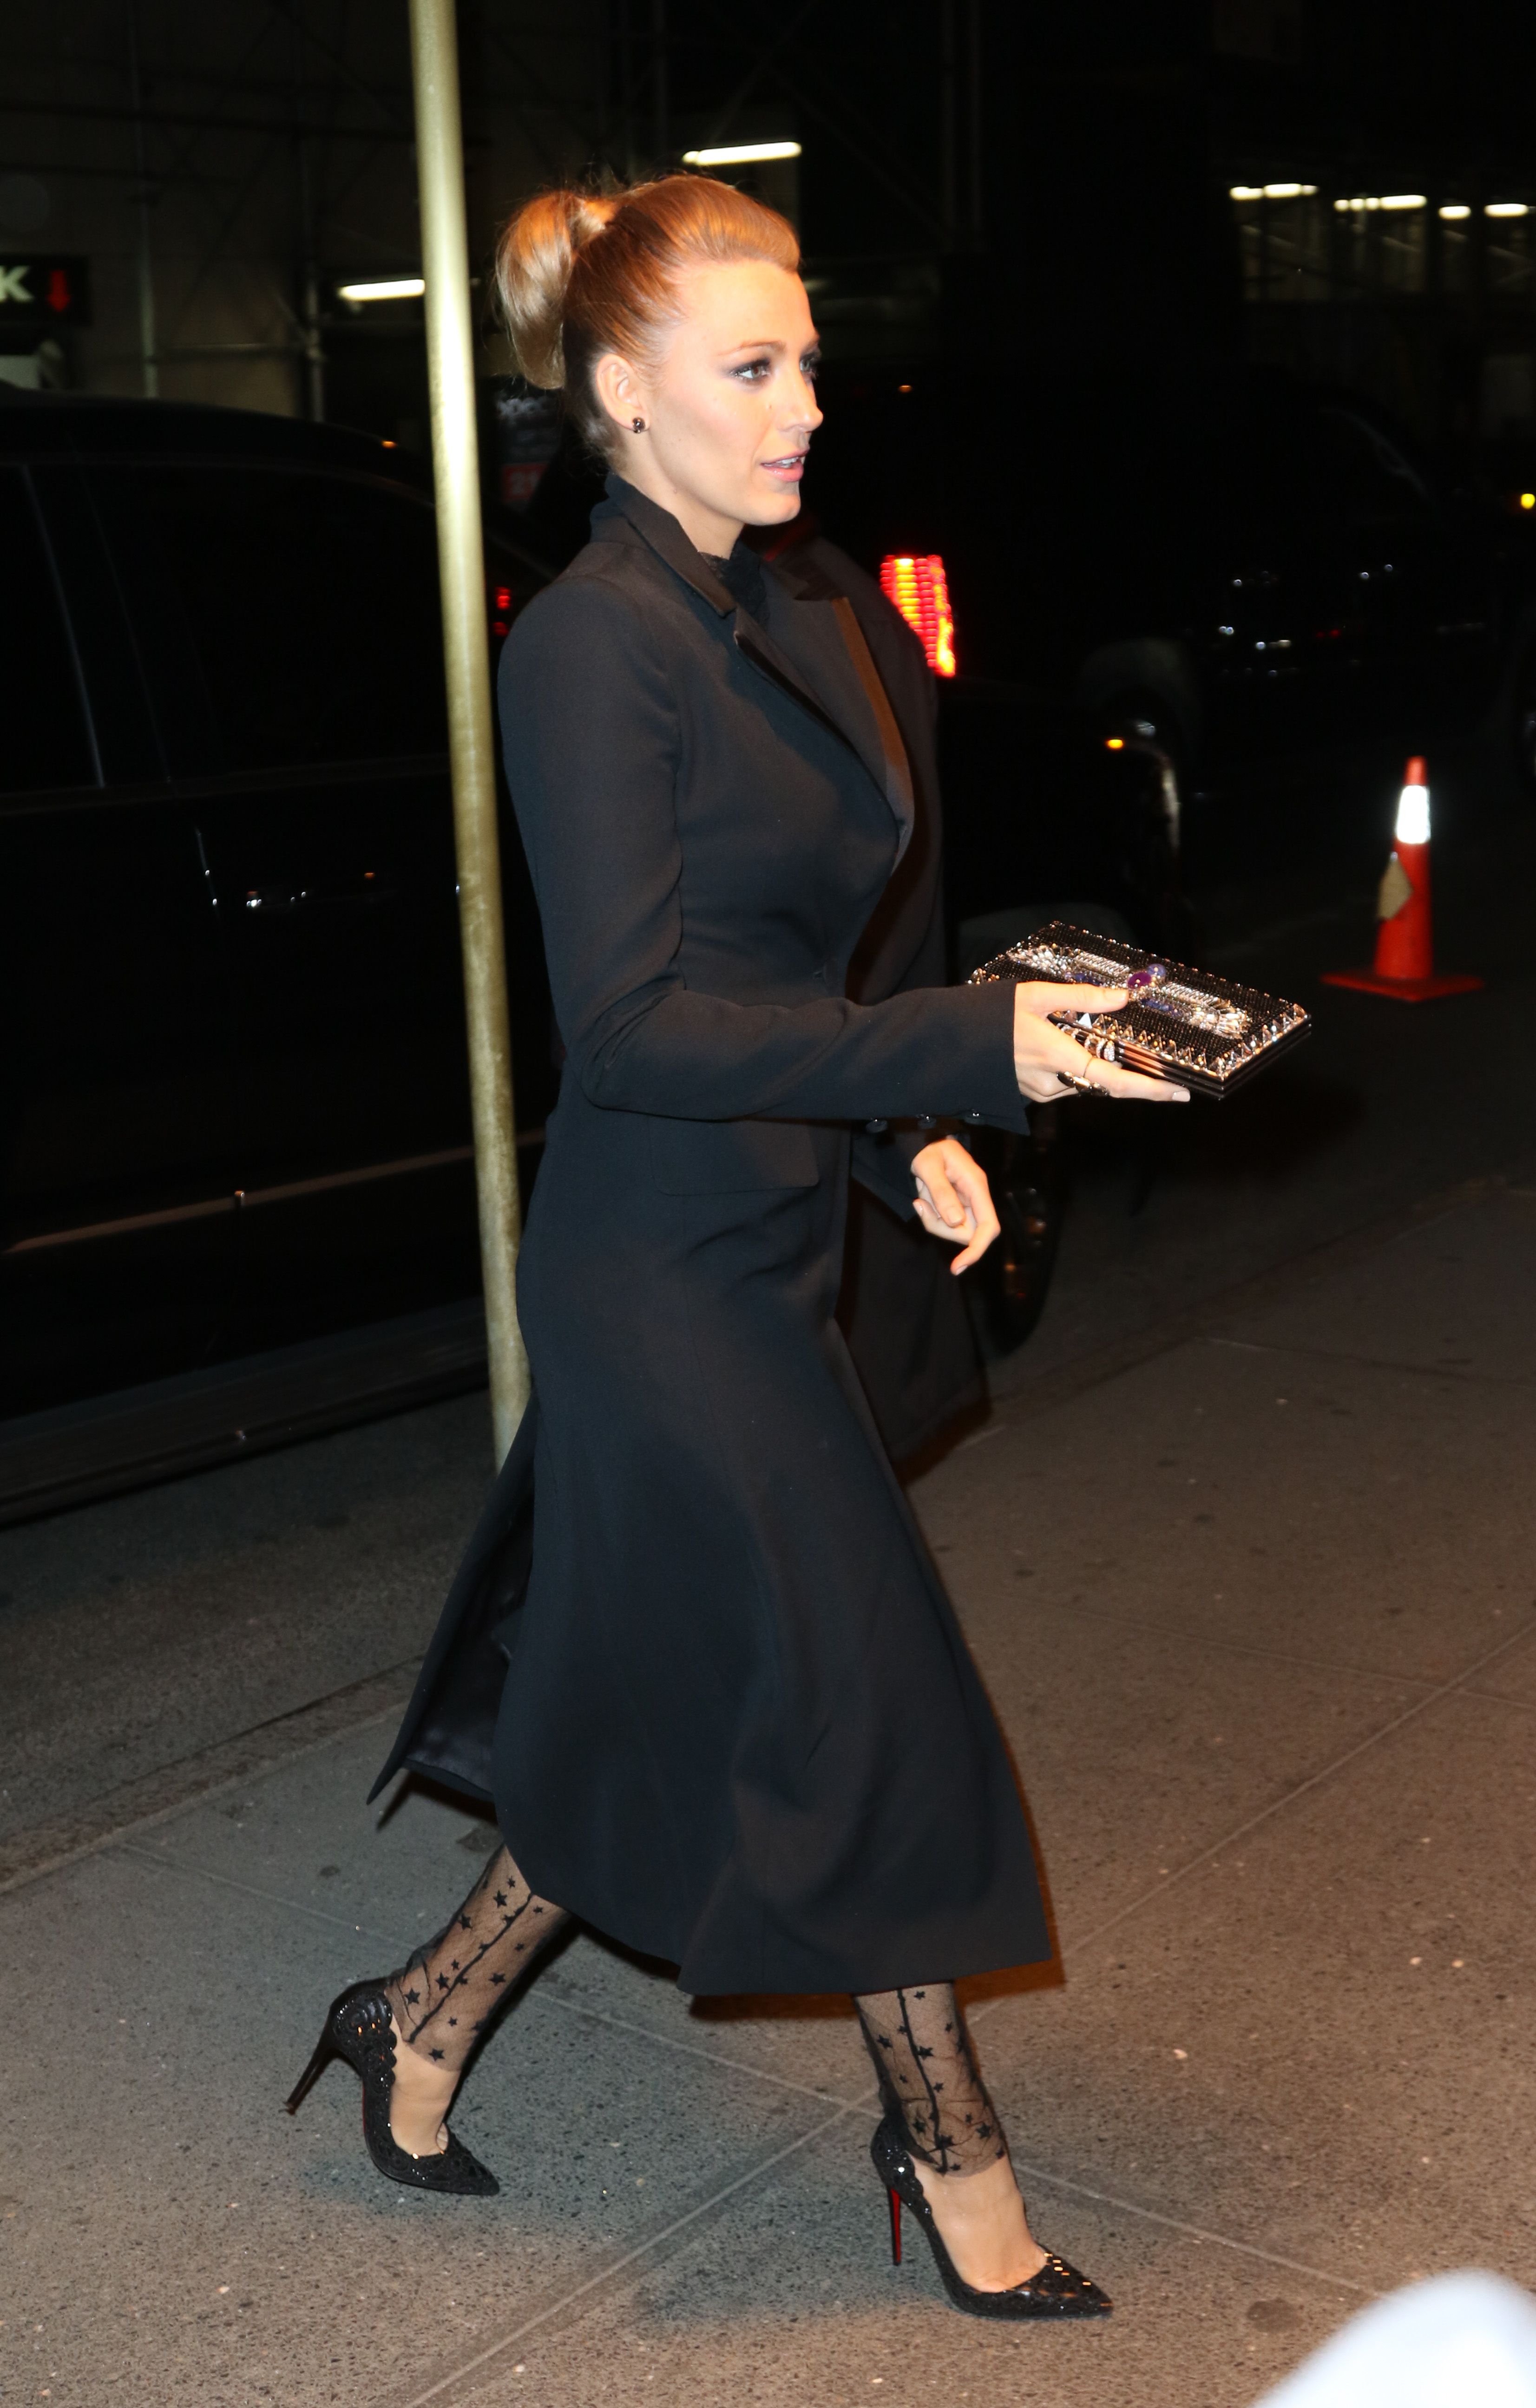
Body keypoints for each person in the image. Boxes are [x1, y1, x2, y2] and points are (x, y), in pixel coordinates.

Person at [287, 173, 1186, 2319]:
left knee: (649, 1704)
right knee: (862, 1699)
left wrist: (900, 1136)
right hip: (654, 1278)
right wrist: (970, 1048)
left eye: (805, 360)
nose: (804, 407)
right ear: (621, 392)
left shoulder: (772, 604)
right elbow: (634, 1026)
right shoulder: (591, 644)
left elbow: (790, 959)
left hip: (774, 1232)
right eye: (753, 367)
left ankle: (412, 2022)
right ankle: (949, 2155)